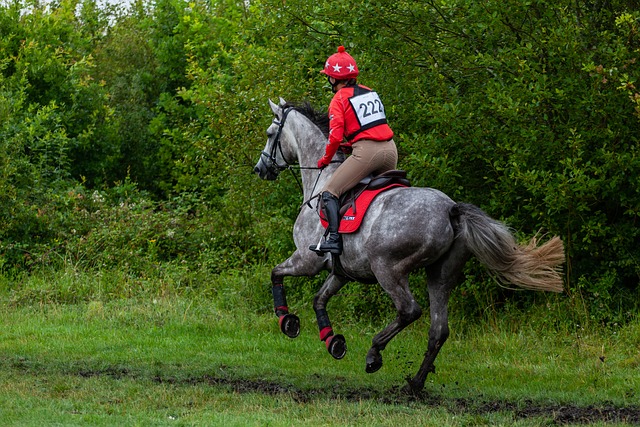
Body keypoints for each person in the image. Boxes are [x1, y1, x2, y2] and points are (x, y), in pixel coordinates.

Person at [311, 46, 398, 256]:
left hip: (367, 154)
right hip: (391, 151)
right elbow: (371, 127)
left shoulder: (338, 99)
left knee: (329, 192)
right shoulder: (370, 92)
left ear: (333, 79)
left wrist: (325, 159)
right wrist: (350, 145)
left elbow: (334, 137)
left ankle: (334, 240)